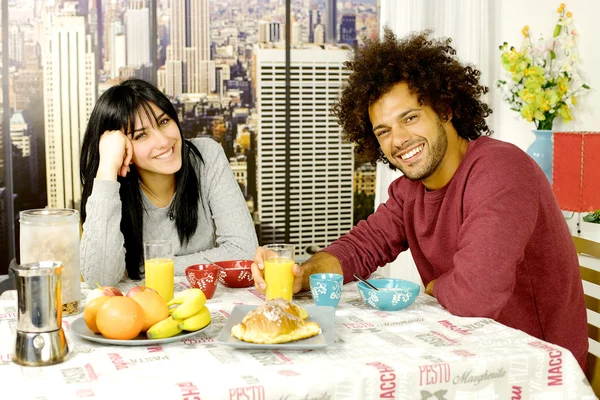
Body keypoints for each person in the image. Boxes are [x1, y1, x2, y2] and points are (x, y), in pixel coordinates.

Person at [251, 29, 588, 371]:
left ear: (445, 108)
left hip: (538, 368)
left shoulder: (501, 170)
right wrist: (304, 274)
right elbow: (359, 248)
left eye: (410, 118)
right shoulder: (410, 191)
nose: (398, 140)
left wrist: (434, 286)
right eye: (383, 131)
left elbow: (475, 297)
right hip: (468, 353)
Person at [80, 78, 258, 287]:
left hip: (209, 305)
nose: (163, 141)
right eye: (141, 135)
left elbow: (243, 251)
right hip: (141, 311)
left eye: (164, 122)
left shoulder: (206, 156)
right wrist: (108, 168)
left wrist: (147, 267)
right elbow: (99, 280)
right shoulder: (109, 186)